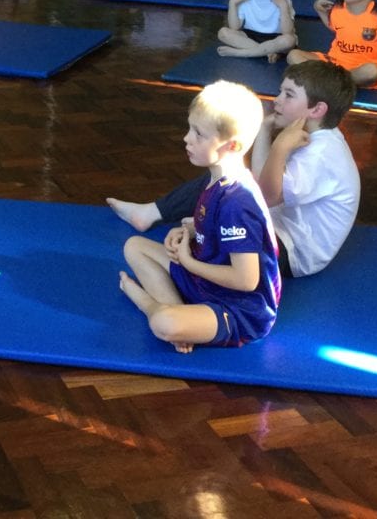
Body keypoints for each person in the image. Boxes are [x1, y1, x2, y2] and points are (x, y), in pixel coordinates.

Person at [109, 60, 359, 279]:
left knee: (227, 202)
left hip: (295, 251)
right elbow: (262, 181)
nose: (277, 100)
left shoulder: (323, 154)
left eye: (289, 95)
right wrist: (264, 130)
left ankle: (190, 269)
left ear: (317, 109)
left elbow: (266, 196)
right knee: (223, 173)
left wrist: (279, 147)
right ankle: (151, 213)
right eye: (280, 91)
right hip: (276, 224)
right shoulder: (312, 134)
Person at [119, 81, 280, 353]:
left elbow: (246, 280)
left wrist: (188, 262)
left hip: (238, 309)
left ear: (232, 145)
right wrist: (190, 232)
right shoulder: (216, 178)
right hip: (204, 281)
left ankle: (147, 304)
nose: (187, 138)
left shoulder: (238, 202)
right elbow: (214, 226)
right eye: (190, 128)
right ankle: (184, 316)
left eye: (199, 134)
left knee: (164, 323)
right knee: (134, 246)